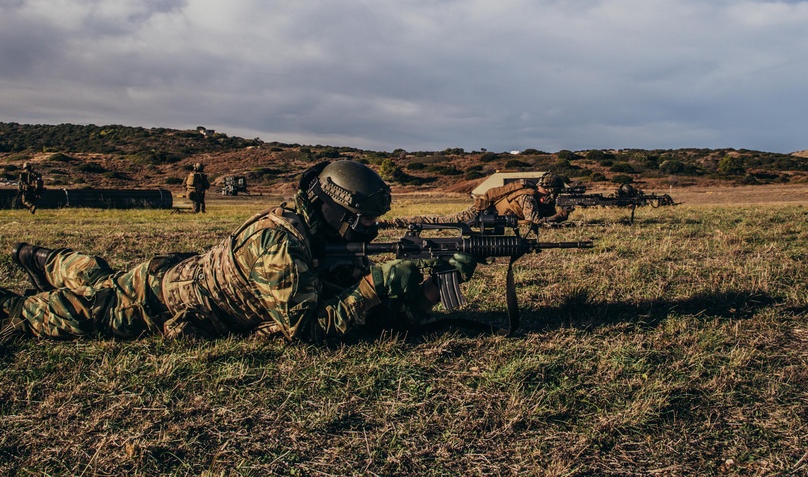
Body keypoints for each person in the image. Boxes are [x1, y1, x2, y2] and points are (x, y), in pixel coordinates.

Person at [0, 160, 477, 343]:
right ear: (333, 210)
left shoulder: (325, 238)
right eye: (362, 223)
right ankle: (24, 288)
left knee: (97, 274)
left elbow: (371, 320)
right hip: (152, 300)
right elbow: (308, 329)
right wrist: (375, 285)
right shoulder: (280, 243)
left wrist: (434, 286)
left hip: (169, 275)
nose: (369, 234)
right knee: (46, 315)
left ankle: (45, 259)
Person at [385, 171, 572, 229]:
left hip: (487, 214)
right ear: (550, 190)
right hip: (479, 213)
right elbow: (535, 223)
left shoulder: (533, 195)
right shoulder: (528, 198)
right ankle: (395, 222)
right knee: (440, 222)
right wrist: (561, 217)